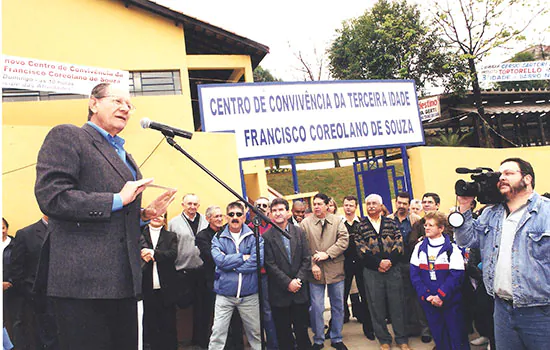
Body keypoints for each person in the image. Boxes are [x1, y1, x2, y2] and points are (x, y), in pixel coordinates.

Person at [34, 82, 176, 350]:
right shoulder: (68, 136)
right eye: (117, 101)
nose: (125, 108)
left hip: (124, 280)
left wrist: (145, 214)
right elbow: (52, 197)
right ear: (93, 103)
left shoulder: (125, 155)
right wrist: (118, 199)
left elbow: (118, 217)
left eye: (129, 105)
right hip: (82, 283)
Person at [455, 158, 550, 349]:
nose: (502, 178)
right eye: (500, 174)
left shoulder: (546, 212)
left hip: (540, 311)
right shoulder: (491, 213)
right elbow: (466, 240)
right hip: (501, 309)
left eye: (509, 173)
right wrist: (464, 206)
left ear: (527, 179)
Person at [355, 194, 411, 350]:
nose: (371, 206)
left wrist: (389, 261)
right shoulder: (361, 226)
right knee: (376, 306)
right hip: (372, 271)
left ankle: (401, 339)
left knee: (397, 305)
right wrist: (378, 263)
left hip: (393, 269)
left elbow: (399, 244)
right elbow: (361, 249)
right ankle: (384, 340)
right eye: (368, 204)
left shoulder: (391, 223)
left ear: (381, 206)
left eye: (374, 203)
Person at [410, 211, 470, 349]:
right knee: (439, 336)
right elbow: (415, 275)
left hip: (450, 301)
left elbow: (456, 276)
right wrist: (426, 295)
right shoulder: (419, 248)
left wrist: (441, 295)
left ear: (441, 228)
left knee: (457, 336)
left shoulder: (452, 249)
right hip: (429, 301)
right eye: (425, 225)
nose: (426, 228)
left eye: (431, 225)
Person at [209, 201, 264, 350]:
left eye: (238, 214)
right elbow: (219, 261)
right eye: (231, 214)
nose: (235, 217)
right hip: (224, 295)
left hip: (249, 295)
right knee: (217, 333)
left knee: (256, 334)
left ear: (244, 217)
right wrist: (242, 257)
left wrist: (232, 267)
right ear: (227, 217)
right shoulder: (218, 237)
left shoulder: (254, 236)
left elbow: (257, 261)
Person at [300, 193, 349, 350]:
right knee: (316, 307)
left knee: (338, 305)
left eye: (320, 203)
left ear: (328, 205)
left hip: (335, 268)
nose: (316, 206)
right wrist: (312, 265)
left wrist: (327, 254)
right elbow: (302, 246)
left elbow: (343, 240)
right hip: (315, 271)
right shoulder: (305, 223)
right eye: (314, 204)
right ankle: (319, 339)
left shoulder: (337, 221)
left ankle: (336, 337)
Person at [263, 198, 312, 350]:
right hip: (280, 292)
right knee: (283, 333)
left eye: (281, 210)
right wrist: (287, 283)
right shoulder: (267, 237)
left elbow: (306, 259)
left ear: (288, 212)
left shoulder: (299, 232)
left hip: (299, 290)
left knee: (302, 330)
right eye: (275, 210)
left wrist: (297, 280)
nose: (278, 213)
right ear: (270, 214)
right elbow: (270, 265)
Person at [195, 206, 244, 350]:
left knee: (236, 316)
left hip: (234, 279)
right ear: (208, 218)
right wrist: (233, 259)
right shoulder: (202, 236)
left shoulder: (228, 232)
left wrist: (227, 258)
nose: (219, 219)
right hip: (214, 280)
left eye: (220, 216)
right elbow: (212, 258)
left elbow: (238, 251)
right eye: (215, 216)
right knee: (220, 317)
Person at [10, 216, 59, 350]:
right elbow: (16, 270)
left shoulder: (68, 231)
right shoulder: (26, 234)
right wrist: (30, 294)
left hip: (65, 300)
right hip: (38, 300)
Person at [168, 193, 209, 347]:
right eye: (189, 204)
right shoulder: (174, 223)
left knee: (202, 307)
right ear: (183, 205)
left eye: (195, 204)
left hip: (202, 270)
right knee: (183, 305)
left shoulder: (205, 221)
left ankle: (200, 341)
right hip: (183, 272)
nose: (192, 207)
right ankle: (180, 341)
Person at [387, 193, 429, 341]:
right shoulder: (388, 220)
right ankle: (405, 329)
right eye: (399, 203)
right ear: (395, 203)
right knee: (400, 298)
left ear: (408, 205)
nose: (402, 206)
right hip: (395, 264)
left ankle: (424, 330)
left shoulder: (415, 220)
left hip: (413, 263)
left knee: (417, 297)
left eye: (405, 203)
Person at [140, 214, 178, 350]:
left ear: (164, 219)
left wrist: (153, 254)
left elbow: (173, 254)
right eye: (154, 214)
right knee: (148, 321)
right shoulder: (139, 233)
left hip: (166, 286)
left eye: (161, 215)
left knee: (168, 321)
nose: (157, 217)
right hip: (145, 285)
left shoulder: (171, 236)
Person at [341, 196, 375, 341]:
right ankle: (335, 330)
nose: (348, 207)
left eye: (351, 205)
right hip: (344, 264)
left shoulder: (362, 223)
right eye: (346, 205)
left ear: (356, 207)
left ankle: (369, 329)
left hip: (361, 264)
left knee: (365, 296)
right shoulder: (339, 224)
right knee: (340, 298)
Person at [248, 196, 278, 350]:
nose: (260, 208)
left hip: (276, 275)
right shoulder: (249, 228)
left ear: (269, 209)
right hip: (259, 275)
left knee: (277, 309)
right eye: (257, 205)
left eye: (264, 205)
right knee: (264, 311)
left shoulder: (274, 226)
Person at [2, 218, 17, 344]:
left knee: (11, 321)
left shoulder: (15, 244)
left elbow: (19, 266)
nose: (1, 231)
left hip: (11, 288)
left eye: (3, 227)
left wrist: (10, 282)